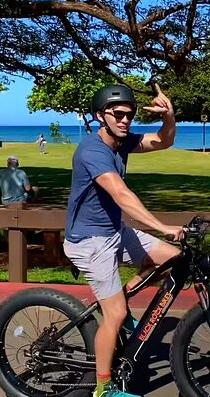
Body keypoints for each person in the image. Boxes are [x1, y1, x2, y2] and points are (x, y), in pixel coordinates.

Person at [63, 84, 184, 397]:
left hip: (115, 232)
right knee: (115, 316)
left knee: (175, 260)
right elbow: (120, 194)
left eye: (129, 115)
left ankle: (121, 297)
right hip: (90, 241)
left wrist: (169, 116)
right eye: (118, 114)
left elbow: (163, 141)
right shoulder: (92, 151)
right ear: (100, 116)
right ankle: (103, 388)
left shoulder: (122, 142)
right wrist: (161, 226)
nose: (125, 120)